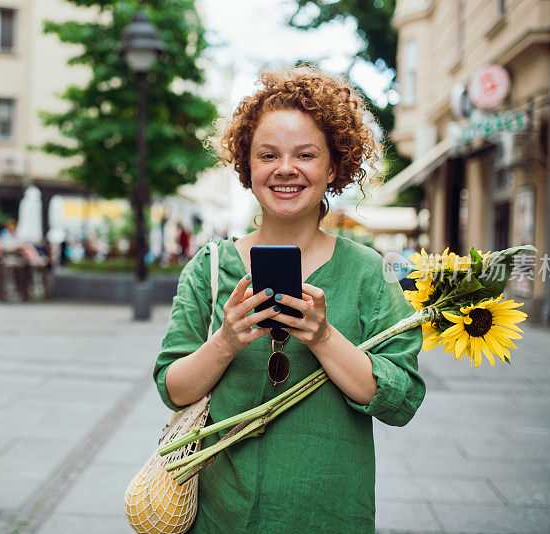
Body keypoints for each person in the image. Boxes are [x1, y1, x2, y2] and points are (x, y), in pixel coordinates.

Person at [153, 67, 425, 533]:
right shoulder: (212, 267)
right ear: (247, 167)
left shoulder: (368, 273)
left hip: (329, 513)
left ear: (334, 166)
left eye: (306, 154)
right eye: (268, 155)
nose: (285, 169)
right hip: (221, 518)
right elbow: (173, 387)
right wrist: (225, 341)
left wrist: (322, 337)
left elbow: (400, 401)